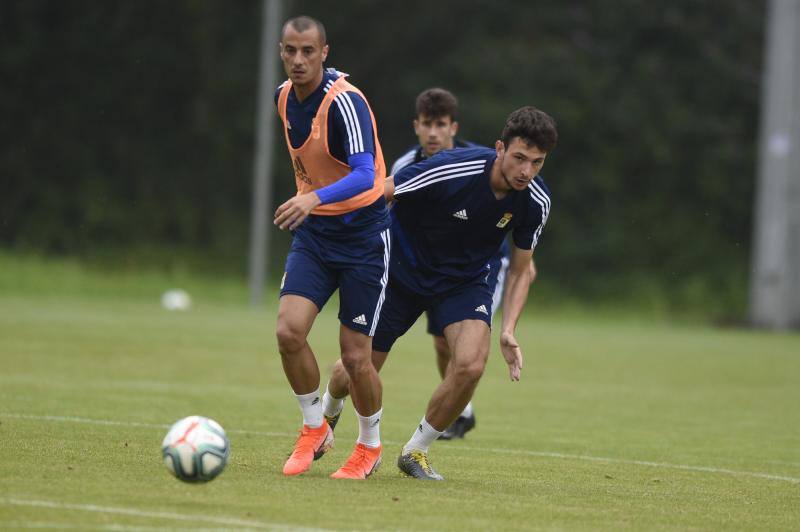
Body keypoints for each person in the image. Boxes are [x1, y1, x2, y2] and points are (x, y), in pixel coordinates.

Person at [325, 106, 557, 479]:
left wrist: (509, 328)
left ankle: (415, 451)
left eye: (537, 162)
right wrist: (353, 250)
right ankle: (328, 411)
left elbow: (519, 268)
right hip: (402, 272)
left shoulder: (535, 200)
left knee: (470, 365)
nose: (526, 171)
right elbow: (383, 192)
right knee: (354, 369)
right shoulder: (453, 167)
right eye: (519, 158)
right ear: (500, 148)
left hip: (464, 283)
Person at [273, 15, 390, 480]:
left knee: (356, 357)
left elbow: (367, 175)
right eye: (289, 51)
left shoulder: (346, 104)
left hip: (364, 239)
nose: (298, 60)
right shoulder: (283, 97)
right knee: (288, 332)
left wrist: (311, 198)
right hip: (317, 237)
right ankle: (313, 427)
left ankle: (369, 446)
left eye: (307, 51)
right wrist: (312, 205)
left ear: (324, 53)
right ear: (281, 52)